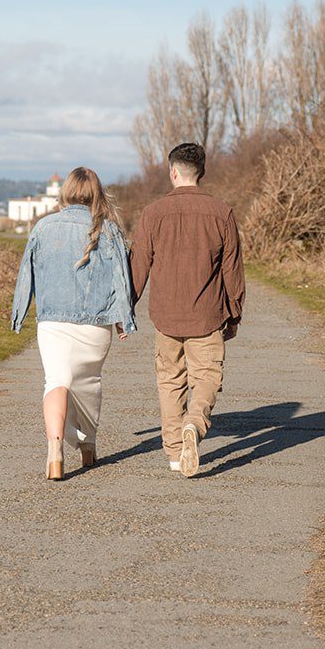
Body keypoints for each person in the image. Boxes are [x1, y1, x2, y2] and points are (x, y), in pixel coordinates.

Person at [11, 167, 136, 481]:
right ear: (97, 194)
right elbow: (123, 278)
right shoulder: (109, 230)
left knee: (56, 380)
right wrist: (124, 319)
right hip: (96, 325)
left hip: (52, 322)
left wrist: (19, 313)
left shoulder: (43, 227)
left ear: (64, 192)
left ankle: (54, 452)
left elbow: (27, 273)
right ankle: (88, 448)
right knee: (89, 383)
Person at [129, 142, 244, 478]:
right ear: (201, 173)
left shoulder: (152, 213)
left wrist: (126, 308)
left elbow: (138, 266)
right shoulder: (222, 213)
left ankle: (176, 454)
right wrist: (234, 312)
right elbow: (232, 270)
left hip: (165, 316)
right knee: (207, 378)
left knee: (170, 381)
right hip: (207, 315)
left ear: (173, 172)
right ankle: (194, 423)